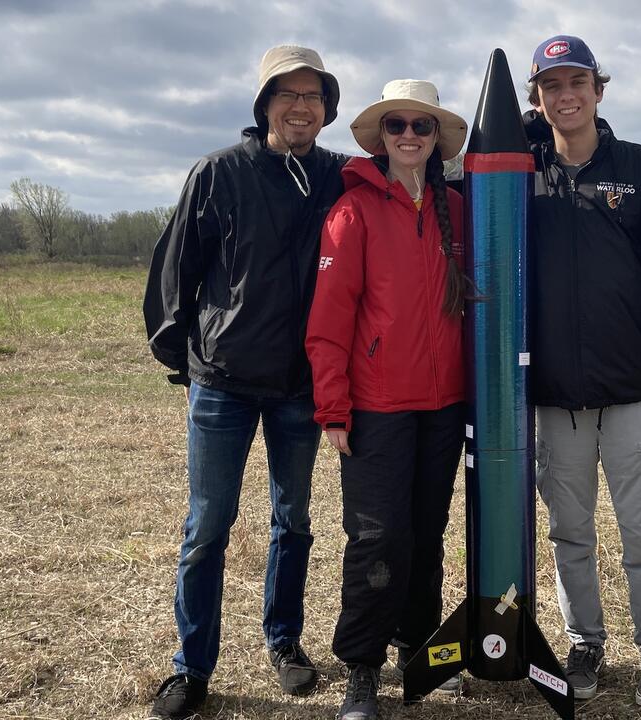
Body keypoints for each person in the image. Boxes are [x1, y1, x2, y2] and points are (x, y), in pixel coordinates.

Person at [142, 45, 348, 720]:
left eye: (313, 97)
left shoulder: (339, 177)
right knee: (208, 526)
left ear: (327, 109)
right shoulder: (218, 174)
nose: (300, 107)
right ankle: (192, 667)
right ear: (264, 104)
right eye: (287, 94)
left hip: (300, 385)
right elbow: (176, 268)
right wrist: (184, 356)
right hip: (223, 384)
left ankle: (284, 641)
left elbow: (419, 172)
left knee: (294, 520)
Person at [522, 35, 641, 707]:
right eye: (550, 87)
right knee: (568, 530)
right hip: (555, 399)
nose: (565, 96)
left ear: (599, 90)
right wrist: (519, 133)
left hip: (632, 391)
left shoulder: (640, 169)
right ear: (537, 99)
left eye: (576, 82)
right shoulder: (526, 173)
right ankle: (585, 644)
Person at [305, 79, 471, 720]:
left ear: (436, 139)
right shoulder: (353, 212)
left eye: (420, 126)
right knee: (377, 539)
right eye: (396, 125)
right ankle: (362, 669)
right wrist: (333, 408)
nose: (408, 135)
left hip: (445, 404)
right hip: (377, 406)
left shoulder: (458, 208)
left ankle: (419, 648)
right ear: (381, 138)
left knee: (427, 535)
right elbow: (329, 319)